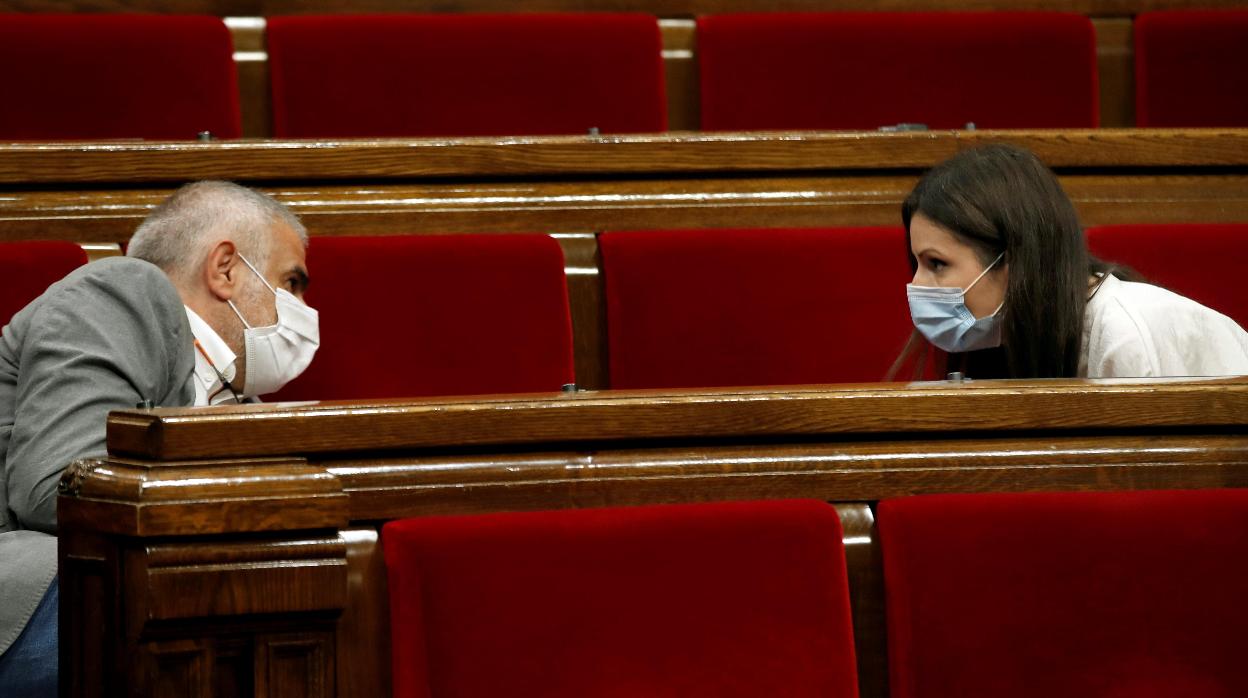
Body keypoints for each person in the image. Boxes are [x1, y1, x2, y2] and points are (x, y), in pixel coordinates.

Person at [0, 181, 318, 696]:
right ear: (226, 269)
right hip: (35, 584)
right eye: (293, 281)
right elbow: (56, 488)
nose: (304, 308)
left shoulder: (236, 399)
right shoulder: (125, 288)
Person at [891, 144, 1248, 380]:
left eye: (937, 264)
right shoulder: (1010, 338)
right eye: (917, 264)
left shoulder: (1127, 333)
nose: (917, 286)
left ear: (1013, 259)